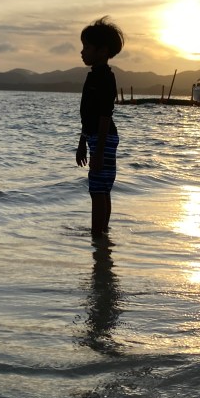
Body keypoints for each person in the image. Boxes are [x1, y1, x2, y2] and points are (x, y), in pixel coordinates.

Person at [75, 17, 124, 236]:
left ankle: (98, 235)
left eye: (86, 47)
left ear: (102, 51)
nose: (82, 52)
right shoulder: (95, 76)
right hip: (97, 137)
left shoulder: (104, 78)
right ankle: (102, 234)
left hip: (103, 138)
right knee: (103, 188)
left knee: (98, 189)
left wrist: (99, 150)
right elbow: (88, 116)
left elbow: (104, 116)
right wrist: (82, 144)